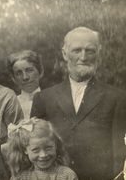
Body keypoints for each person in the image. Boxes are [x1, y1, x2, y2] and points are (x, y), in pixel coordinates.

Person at [31, 26, 126, 180]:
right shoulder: (43, 98)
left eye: (90, 50)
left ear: (98, 54)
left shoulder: (117, 98)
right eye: (77, 50)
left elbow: (121, 153)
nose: (83, 57)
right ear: (64, 54)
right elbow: (33, 147)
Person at [6, 118, 78, 180]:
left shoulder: (67, 176)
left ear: (55, 145)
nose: (43, 155)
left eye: (48, 148)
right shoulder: (20, 177)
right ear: (25, 150)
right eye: (36, 150)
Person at [7, 50, 44, 119]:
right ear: (13, 78)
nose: (25, 77)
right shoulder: (11, 106)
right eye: (19, 73)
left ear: (40, 71)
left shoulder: (53, 100)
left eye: (29, 70)